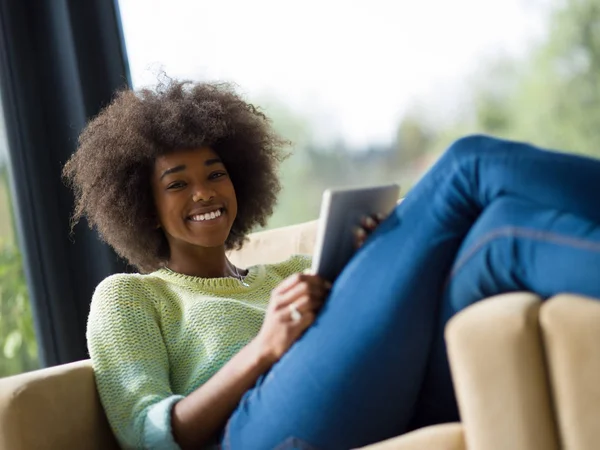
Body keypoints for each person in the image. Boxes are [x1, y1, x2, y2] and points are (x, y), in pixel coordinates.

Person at [63, 80, 600, 450]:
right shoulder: (130, 297)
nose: (204, 192)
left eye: (216, 173)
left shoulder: (290, 270)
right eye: (177, 183)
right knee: (468, 165)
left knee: (499, 235)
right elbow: (148, 433)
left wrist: (376, 265)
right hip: (252, 435)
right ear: (142, 207)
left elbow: (362, 341)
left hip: (367, 399)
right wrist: (264, 347)